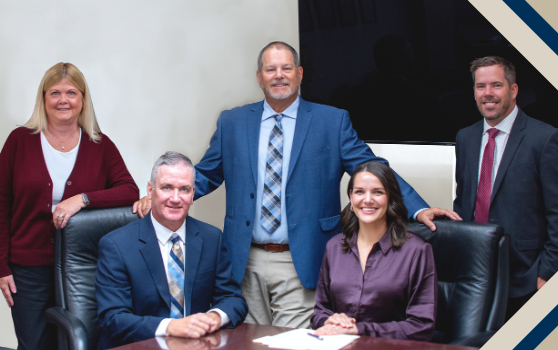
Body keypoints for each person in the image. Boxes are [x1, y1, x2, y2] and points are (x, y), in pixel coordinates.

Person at [132, 41, 458, 328]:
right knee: (248, 341)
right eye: (270, 69)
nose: (279, 75)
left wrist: (418, 208)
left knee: (292, 342)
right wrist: (162, 198)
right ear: (259, 77)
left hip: (301, 256)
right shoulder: (232, 121)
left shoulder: (332, 121)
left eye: (286, 67)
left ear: (299, 73)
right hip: (243, 259)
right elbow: (205, 174)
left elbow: (373, 170)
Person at [0, 62, 140, 350]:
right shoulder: (19, 141)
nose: (63, 100)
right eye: (55, 93)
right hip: (27, 267)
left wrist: (82, 199)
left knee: (77, 343)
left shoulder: (100, 145)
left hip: (81, 267)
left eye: (71, 93)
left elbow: (128, 191)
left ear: (83, 100)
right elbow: (0, 209)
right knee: (34, 344)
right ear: (43, 99)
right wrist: (2, 267)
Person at [453, 56, 558, 319]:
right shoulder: (465, 138)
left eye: (496, 85)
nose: (487, 93)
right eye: (480, 86)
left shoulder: (545, 139)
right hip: (474, 274)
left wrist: (546, 273)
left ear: (514, 89)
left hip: (525, 278)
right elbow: (463, 200)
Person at [97, 152, 247, 349]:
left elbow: (233, 299)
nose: (175, 198)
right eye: (167, 187)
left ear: (193, 194)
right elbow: (113, 319)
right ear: (150, 191)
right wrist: (173, 327)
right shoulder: (116, 245)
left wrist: (214, 318)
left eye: (184, 189)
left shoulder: (211, 238)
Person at [310, 161, 436, 341]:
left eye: (378, 192)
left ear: (391, 198)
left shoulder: (417, 251)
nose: (367, 199)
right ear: (351, 198)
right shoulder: (334, 246)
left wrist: (358, 330)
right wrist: (331, 320)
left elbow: (421, 326)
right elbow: (319, 312)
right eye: (359, 192)